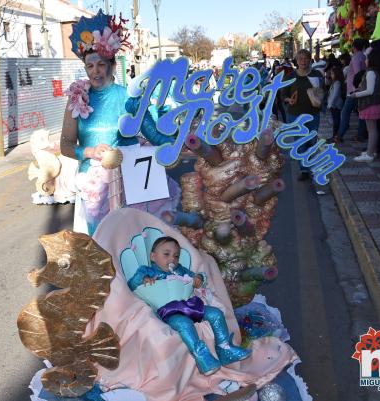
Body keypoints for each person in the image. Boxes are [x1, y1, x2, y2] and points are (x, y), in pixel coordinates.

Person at [59, 11, 177, 235]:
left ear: (112, 65)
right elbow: (65, 145)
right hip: (93, 189)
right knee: (101, 247)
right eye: (90, 66)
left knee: (132, 244)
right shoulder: (77, 98)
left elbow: (153, 135)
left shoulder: (129, 97)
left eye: (101, 65)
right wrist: (89, 151)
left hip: (131, 183)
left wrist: (180, 140)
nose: (95, 71)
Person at [127, 236, 251, 376]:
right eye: (166, 254)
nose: (172, 259)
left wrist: (199, 279)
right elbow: (132, 284)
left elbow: (197, 277)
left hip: (189, 305)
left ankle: (224, 348)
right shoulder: (147, 271)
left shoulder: (180, 270)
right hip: (168, 311)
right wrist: (144, 280)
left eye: (176, 256)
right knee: (184, 323)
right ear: (153, 256)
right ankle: (202, 357)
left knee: (215, 313)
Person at [282, 48, 324, 181]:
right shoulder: (290, 76)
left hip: (313, 114)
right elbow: (283, 94)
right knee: (300, 143)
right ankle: (304, 169)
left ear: (310, 60)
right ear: (297, 60)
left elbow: (323, 91)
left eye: (306, 58)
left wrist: (320, 95)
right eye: (300, 59)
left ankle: (309, 163)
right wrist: (289, 100)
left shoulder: (317, 74)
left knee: (311, 141)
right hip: (295, 115)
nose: (303, 61)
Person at [350, 48, 380, 162]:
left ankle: (370, 154)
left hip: (370, 104)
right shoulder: (375, 72)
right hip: (374, 104)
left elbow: (370, 91)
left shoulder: (371, 72)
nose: (365, 60)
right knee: (373, 129)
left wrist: (356, 95)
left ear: (372, 60)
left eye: (367, 58)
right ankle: (371, 151)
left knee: (372, 130)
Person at [336, 38, 368, 143]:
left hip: (354, 91)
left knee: (345, 112)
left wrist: (355, 90)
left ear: (353, 47)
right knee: (361, 113)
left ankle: (340, 135)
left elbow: (358, 74)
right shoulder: (364, 57)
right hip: (360, 89)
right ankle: (360, 134)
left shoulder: (355, 58)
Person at [327, 66, 346, 143]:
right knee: (336, 120)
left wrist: (330, 104)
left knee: (336, 121)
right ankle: (336, 136)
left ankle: (335, 136)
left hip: (335, 105)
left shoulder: (337, 83)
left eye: (332, 73)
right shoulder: (335, 82)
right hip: (334, 105)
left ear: (336, 74)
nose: (331, 75)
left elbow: (335, 95)